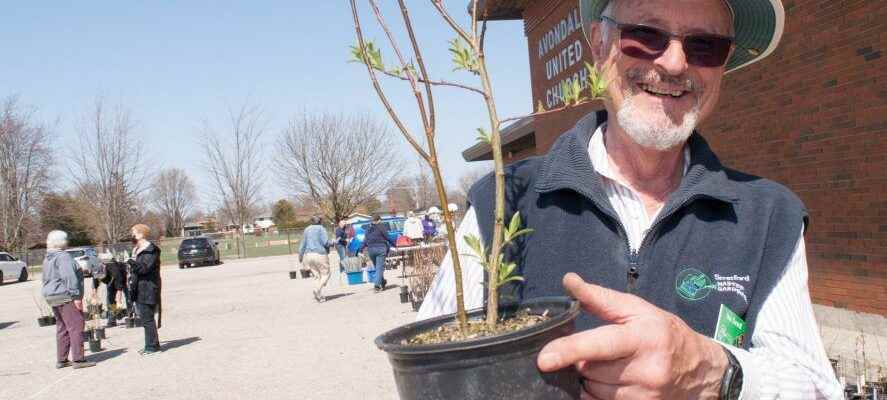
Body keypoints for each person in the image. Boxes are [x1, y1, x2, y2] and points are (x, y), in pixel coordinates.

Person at [418, 0, 843, 398]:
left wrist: (716, 370)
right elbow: (424, 370)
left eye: (705, 45)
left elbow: (817, 386)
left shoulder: (770, 217)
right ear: (599, 44)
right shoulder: (503, 202)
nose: (674, 63)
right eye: (645, 35)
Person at [41, 231, 95, 369]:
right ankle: (78, 359)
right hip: (65, 295)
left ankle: (62, 359)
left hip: (52, 295)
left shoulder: (48, 257)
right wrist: (76, 296)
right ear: (62, 242)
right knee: (76, 325)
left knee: (62, 327)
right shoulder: (63, 256)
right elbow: (69, 277)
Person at [127, 224, 162, 355]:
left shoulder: (152, 250)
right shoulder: (137, 249)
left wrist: (130, 261)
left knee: (147, 318)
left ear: (141, 234)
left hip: (148, 287)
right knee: (145, 318)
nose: (132, 235)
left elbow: (144, 268)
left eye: (134, 233)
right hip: (139, 287)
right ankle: (152, 344)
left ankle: (152, 347)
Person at [299, 216, 331, 302]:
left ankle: (319, 296)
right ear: (320, 221)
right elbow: (325, 242)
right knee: (326, 274)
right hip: (320, 254)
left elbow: (303, 243)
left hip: (308, 255)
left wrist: (300, 255)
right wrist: (333, 242)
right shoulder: (321, 228)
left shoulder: (307, 229)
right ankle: (317, 290)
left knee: (316, 276)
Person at [361, 215, 396, 292]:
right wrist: (395, 244)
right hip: (380, 249)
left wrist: (360, 249)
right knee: (379, 268)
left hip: (371, 251)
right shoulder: (381, 227)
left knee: (378, 268)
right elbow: (388, 237)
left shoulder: (368, 229)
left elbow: (364, 241)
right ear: (379, 220)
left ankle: (383, 282)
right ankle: (376, 286)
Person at [99, 253, 127, 327]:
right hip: (112, 282)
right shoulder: (101, 266)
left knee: (128, 298)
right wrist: (94, 290)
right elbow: (96, 279)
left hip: (123, 280)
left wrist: (119, 297)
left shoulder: (113, 267)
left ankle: (130, 314)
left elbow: (119, 281)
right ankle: (114, 318)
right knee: (110, 300)